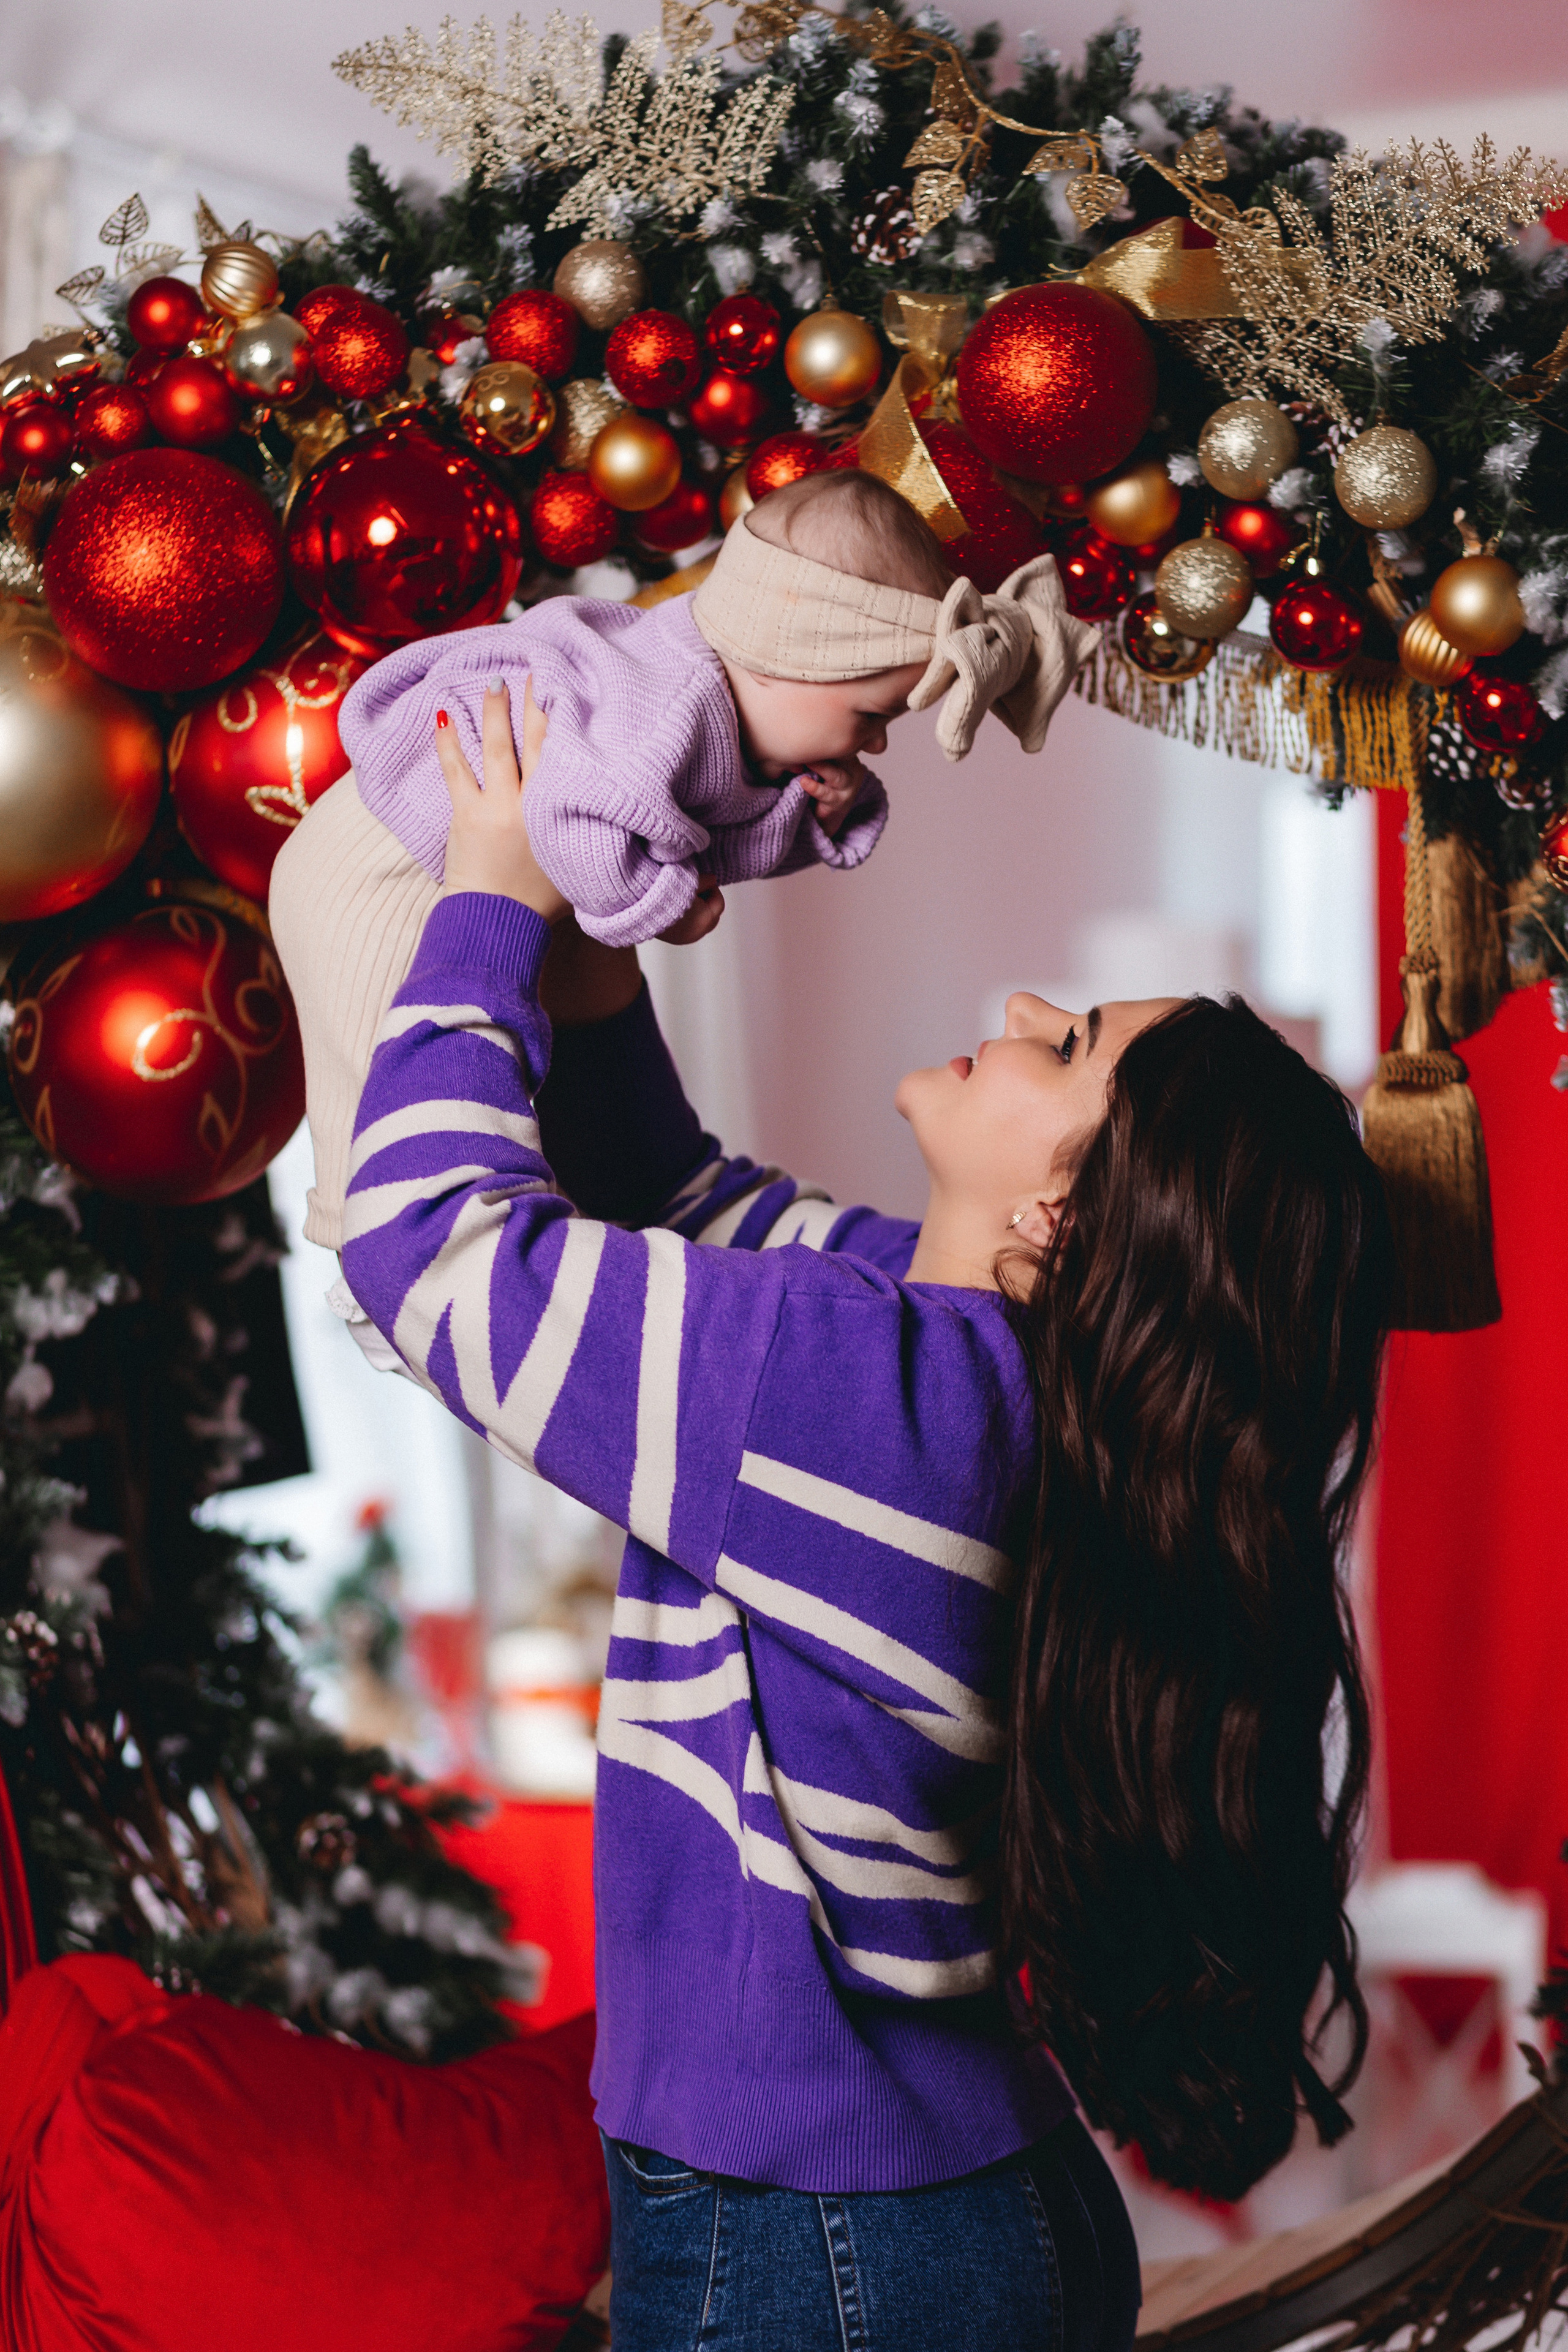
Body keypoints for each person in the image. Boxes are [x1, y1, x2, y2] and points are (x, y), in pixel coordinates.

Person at [333, 687, 1395, 2351]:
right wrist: (598, 933)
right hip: (932, 2200)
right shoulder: (947, 1362)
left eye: (1069, 1045)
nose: (1023, 1009)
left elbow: (424, 1244)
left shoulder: (861, 1390)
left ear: (1062, 1216)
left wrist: (491, 898)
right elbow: (677, 1203)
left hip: (829, 2240)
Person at [271, 472, 1097, 1253]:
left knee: (482, 1108)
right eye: (870, 715)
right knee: (379, 1113)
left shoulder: (725, 706)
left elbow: (715, 841)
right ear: (793, 658)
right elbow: (578, 832)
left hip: (448, 872)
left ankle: (438, 1266)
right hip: (376, 875)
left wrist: (818, 813)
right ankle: (368, 1280)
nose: (876, 744)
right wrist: (668, 905)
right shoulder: (664, 707)